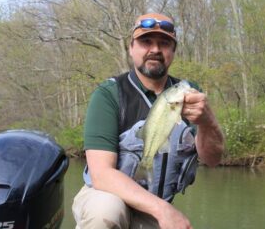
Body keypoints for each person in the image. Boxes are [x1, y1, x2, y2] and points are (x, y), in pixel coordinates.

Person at [72, 12, 225, 229]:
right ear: (131, 47)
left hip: (155, 208)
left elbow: (213, 159)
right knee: (106, 211)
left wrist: (207, 122)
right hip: (106, 196)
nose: (155, 49)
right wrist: (163, 210)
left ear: (173, 51)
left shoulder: (190, 93)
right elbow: (101, 174)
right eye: (146, 42)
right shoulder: (109, 94)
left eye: (164, 43)